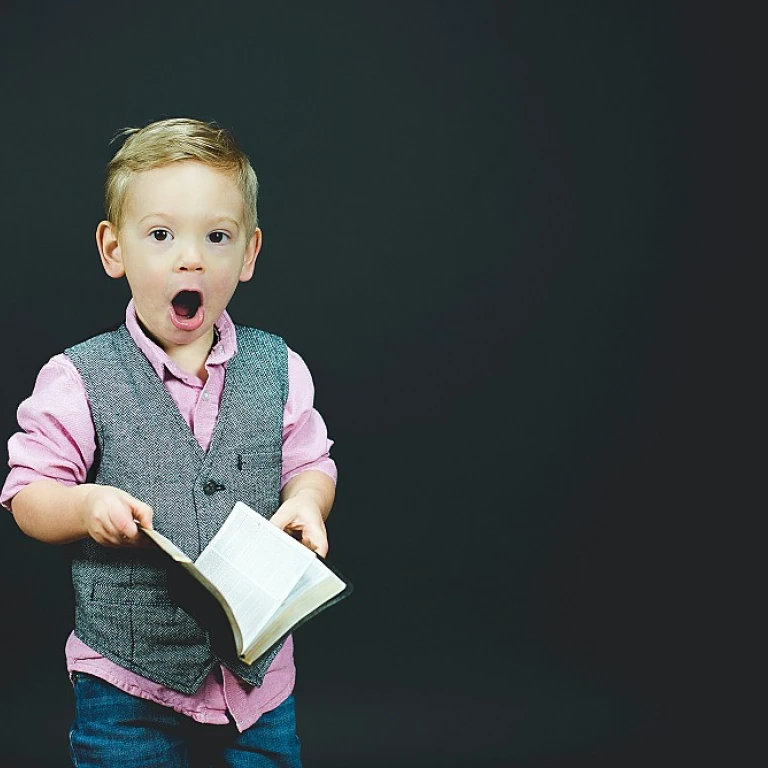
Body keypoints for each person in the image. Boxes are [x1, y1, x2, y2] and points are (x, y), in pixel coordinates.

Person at [1, 117, 337, 767]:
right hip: (127, 684)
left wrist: (308, 502)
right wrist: (83, 506)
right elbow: (26, 494)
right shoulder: (79, 377)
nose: (191, 257)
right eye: (161, 235)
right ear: (113, 250)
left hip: (257, 685)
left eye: (216, 236)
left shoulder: (280, 367)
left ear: (247, 255)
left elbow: (310, 461)